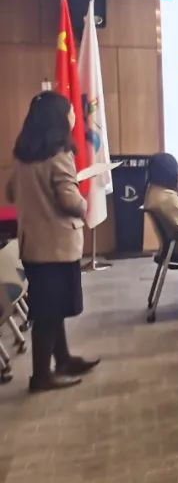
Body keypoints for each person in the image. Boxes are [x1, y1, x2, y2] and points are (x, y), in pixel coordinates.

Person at [6, 92, 99, 391]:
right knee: (48, 313)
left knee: (50, 307)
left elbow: (11, 193)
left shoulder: (23, 154)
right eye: (71, 111)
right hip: (57, 245)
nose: (74, 116)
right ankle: (41, 376)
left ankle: (64, 359)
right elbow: (69, 201)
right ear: (59, 117)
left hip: (32, 244)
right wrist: (85, 203)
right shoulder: (59, 153)